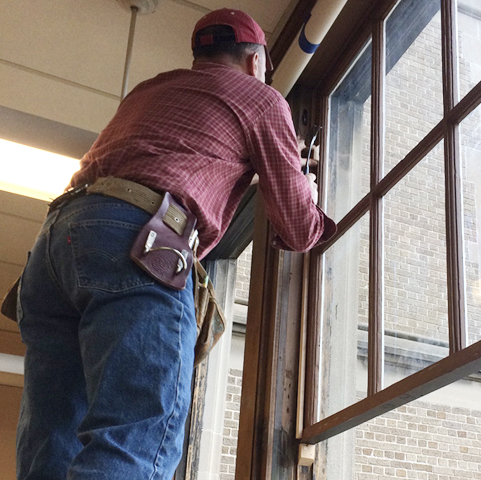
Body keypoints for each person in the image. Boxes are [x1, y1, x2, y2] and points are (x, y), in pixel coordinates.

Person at [15, 8, 335, 480]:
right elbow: (296, 227)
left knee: (51, 438)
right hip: (137, 244)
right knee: (132, 436)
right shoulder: (262, 99)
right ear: (255, 62)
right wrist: (306, 189)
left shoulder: (152, 88)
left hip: (56, 243)